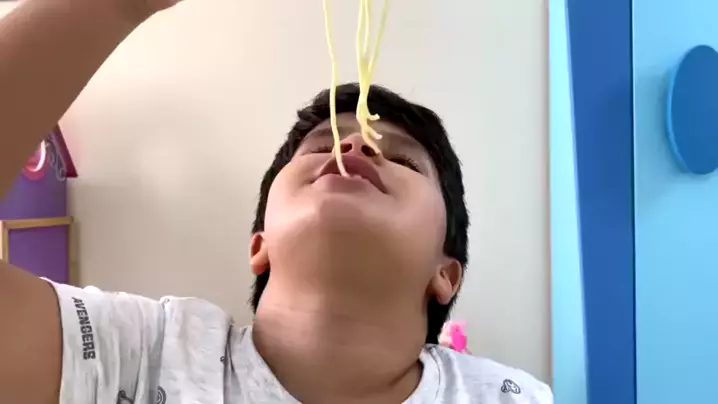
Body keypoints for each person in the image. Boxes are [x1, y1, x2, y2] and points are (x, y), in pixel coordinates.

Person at [0, 0, 553, 402]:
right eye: (322, 146)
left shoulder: (510, 397)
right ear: (259, 244)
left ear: (446, 274)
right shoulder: (139, 355)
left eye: (404, 160)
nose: (355, 146)